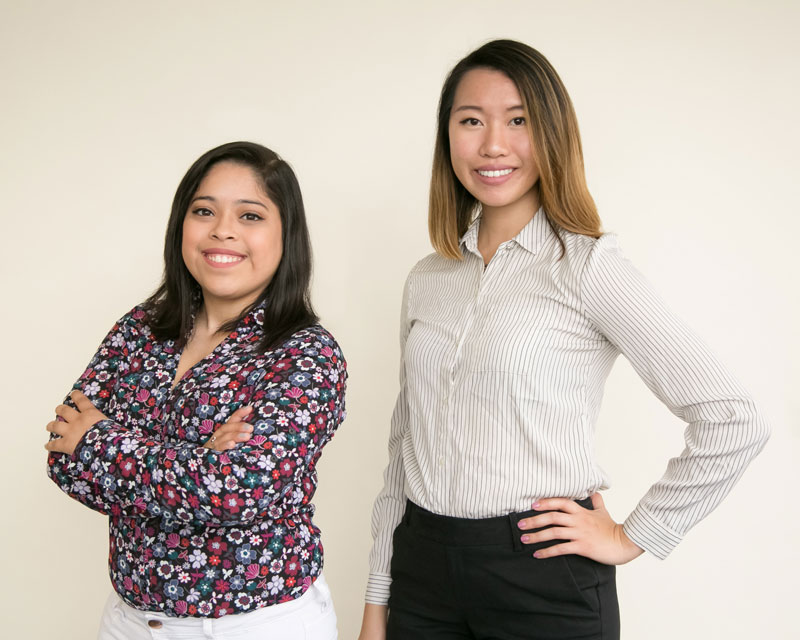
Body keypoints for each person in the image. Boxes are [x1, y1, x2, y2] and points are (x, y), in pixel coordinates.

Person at [358, 40, 769, 640]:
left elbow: (734, 418)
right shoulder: (429, 278)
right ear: (447, 137)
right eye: (471, 121)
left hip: (542, 581)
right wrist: (377, 600)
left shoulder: (588, 266)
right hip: (422, 576)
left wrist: (635, 536)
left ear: (552, 133)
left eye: (518, 121)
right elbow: (404, 448)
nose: (493, 144)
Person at [46, 141, 346, 639]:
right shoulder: (140, 329)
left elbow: (236, 492)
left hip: (255, 625)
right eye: (203, 210)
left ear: (285, 234)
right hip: (131, 622)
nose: (221, 230)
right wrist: (196, 461)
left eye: (250, 215)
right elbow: (63, 457)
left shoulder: (305, 354)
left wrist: (101, 440)